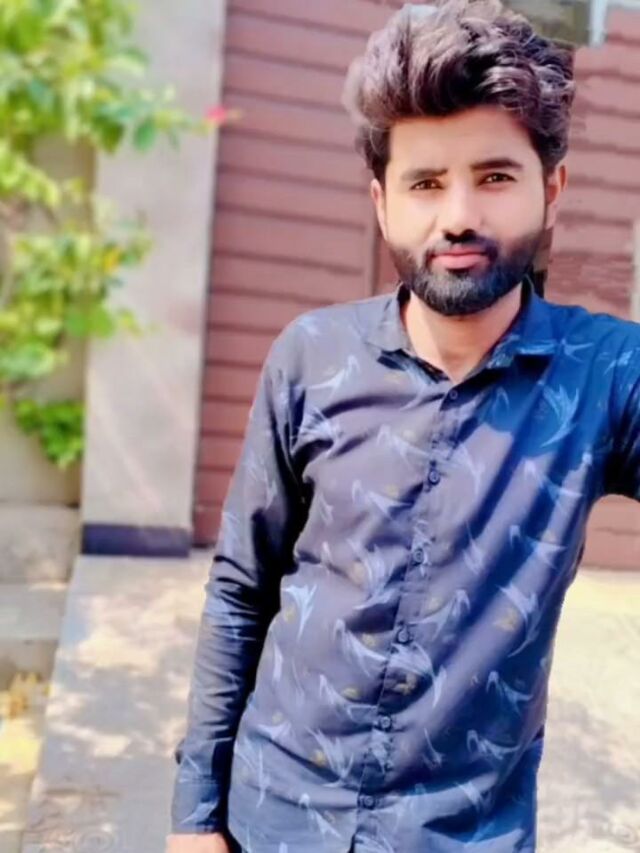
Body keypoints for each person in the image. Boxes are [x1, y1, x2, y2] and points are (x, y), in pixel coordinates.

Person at [167, 1, 640, 851]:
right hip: (274, 815)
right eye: (425, 183)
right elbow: (242, 585)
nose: (457, 215)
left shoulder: (604, 376)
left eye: (494, 177)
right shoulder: (311, 356)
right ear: (382, 202)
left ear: (551, 189)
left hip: (462, 833)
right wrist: (195, 815)